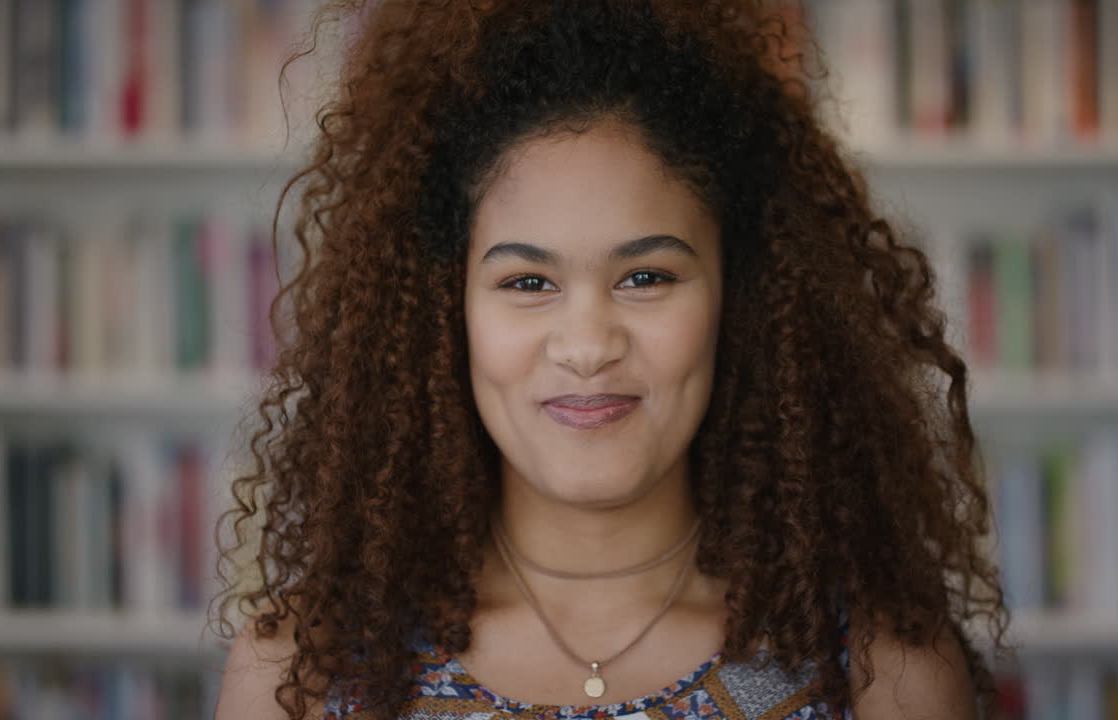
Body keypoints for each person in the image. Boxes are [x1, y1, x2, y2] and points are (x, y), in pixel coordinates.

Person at [212, 1, 1008, 719]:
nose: (588, 346)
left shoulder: (882, 671)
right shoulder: (300, 670)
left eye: (645, 277)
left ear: (745, 301)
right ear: (440, 313)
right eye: (527, 281)